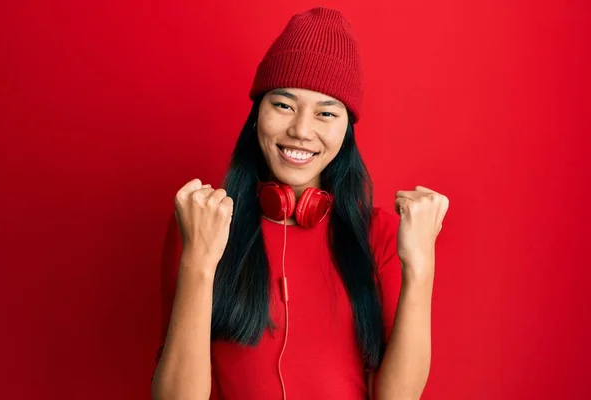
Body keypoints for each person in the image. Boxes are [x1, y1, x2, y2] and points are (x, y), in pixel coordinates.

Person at [151, 6, 449, 400]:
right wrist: (200, 263)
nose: (301, 130)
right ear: (257, 113)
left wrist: (421, 266)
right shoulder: (202, 224)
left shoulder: (382, 236)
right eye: (284, 105)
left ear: (346, 131)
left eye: (326, 112)